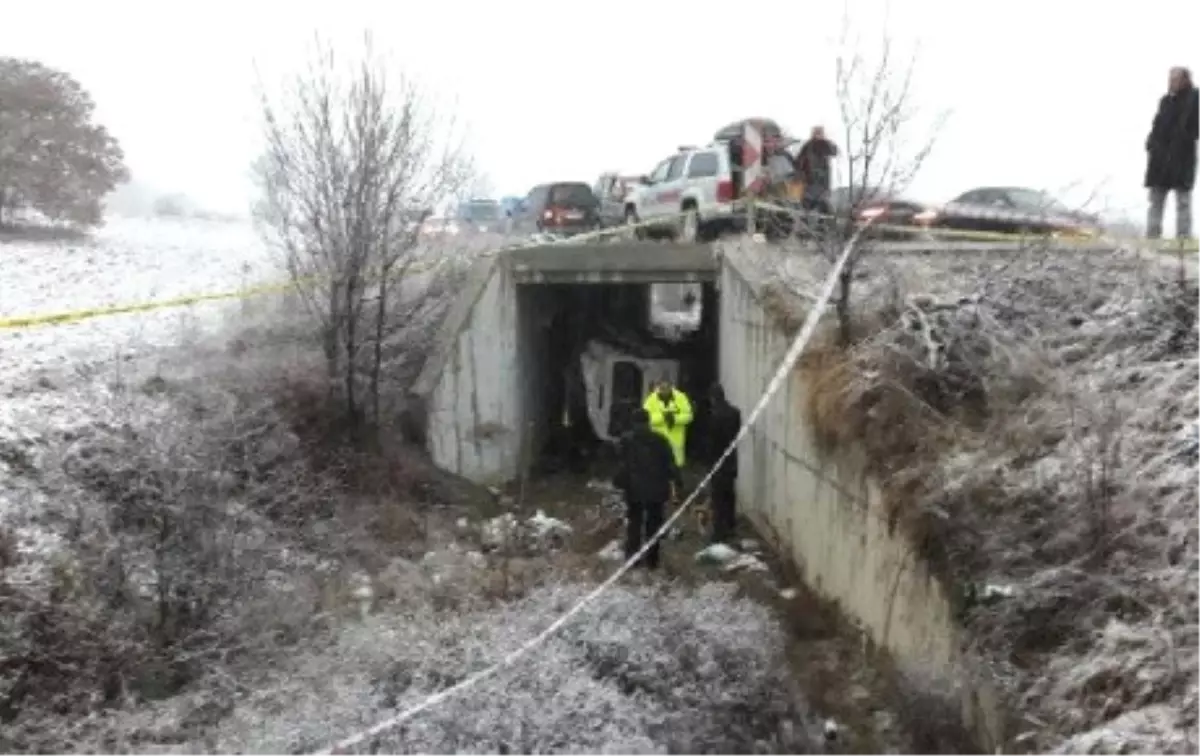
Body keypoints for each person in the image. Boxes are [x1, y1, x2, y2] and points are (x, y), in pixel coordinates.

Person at [613, 408, 680, 569]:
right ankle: (652, 560)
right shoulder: (660, 439)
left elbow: (620, 462)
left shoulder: (626, 440)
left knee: (634, 523)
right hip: (656, 490)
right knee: (654, 524)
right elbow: (671, 464)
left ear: (633, 422)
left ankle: (633, 558)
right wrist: (678, 482)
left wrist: (620, 480)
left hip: (634, 489)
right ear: (648, 422)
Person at [1146, 67, 1200, 240]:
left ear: (1184, 80)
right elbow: (1157, 124)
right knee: (1156, 199)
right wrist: (1151, 144)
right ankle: (1152, 236)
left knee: (1183, 200)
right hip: (1160, 158)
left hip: (1182, 157)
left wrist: (1188, 135)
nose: (1171, 82)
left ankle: (1183, 237)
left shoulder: (1195, 98)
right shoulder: (1165, 101)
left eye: (1175, 79)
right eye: (1170, 79)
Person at [706, 384, 742, 544]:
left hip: (717, 460)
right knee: (729, 494)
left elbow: (712, 441)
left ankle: (719, 531)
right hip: (731, 459)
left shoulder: (714, 416)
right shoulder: (735, 413)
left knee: (718, 497)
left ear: (712, 398)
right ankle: (730, 525)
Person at [643, 380, 693, 470]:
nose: (664, 391)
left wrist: (675, 419)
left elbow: (689, 416)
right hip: (657, 443)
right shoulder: (651, 399)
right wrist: (663, 417)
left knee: (675, 473)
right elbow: (646, 418)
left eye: (667, 389)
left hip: (675, 444)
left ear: (671, 387)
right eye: (661, 389)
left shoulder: (681, 397)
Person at [794, 125, 839, 217]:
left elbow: (834, 151)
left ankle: (824, 226)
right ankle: (802, 223)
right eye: (816, 133)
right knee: (807, 205)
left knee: (823, 206)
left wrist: (825, 141)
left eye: (819, 133)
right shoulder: (807, 146)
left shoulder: (825, 145)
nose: (817, 135)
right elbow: (798, 161)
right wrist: (800, 174)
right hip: (809, 181)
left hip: (823, 182)